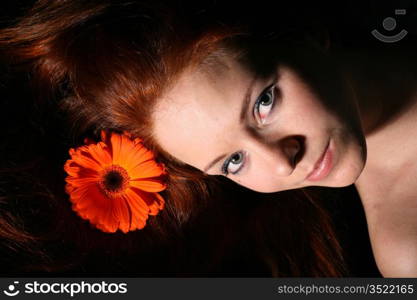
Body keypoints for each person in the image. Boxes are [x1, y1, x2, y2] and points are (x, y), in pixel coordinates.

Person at [0, 0, 413, 277]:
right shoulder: (406, 247)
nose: (282, 161)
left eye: (264, 104)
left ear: (296, 35)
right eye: (233, 161)